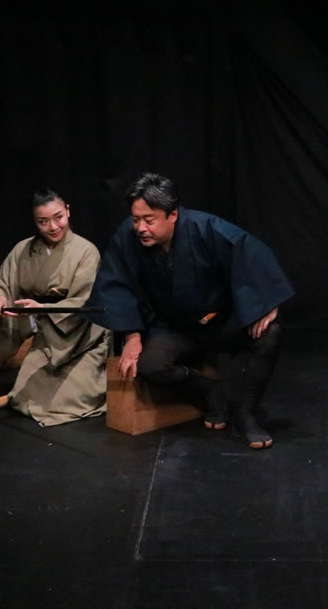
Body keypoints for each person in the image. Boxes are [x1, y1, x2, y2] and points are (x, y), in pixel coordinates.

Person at [90, 172, 294, 449]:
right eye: (136, 219)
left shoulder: (207, 228)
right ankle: (210, 390)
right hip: (173, 326)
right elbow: (117, 282)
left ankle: (245, 412)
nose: (140, 228)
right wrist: (132, 336)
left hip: (218, 321)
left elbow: (251, 255)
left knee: (271, 333)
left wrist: (268, 302)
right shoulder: (128, 235)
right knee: (149, 366)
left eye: (149, 220)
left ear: (172, 214)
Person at [0, 189, 111, 426]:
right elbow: (2, 281)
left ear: (68, 211)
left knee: (69, 401)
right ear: (35, 221)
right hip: (47, 335)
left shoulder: (86, 251)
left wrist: (42, 307)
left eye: (58, 217)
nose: (53, 227)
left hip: (80, 338)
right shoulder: (23, 249)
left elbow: (84, 301)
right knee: (23, 399)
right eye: (43, 221)